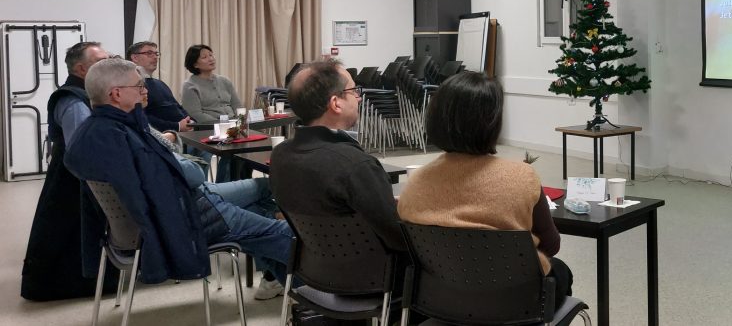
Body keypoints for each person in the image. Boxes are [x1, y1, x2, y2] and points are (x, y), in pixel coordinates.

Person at [64, 58, 293, 292]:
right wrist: (176, 156)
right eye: (139, 86)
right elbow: (194, 176)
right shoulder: (129, 138)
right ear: (116, 94)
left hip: (147, 224)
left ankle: (281, 284)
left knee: (260, 211)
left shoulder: (91, 133)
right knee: (288, 233)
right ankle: (307, 292)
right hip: (187, 217)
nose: (145, 91)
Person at [397, 72, 574, 307]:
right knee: (560, 271)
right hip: (514, 301)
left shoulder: (415, 183)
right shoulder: (522, 177)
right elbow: (551, 245)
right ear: (493, 122)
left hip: (441, 300)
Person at [271, 59, 406, 265]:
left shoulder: (280, 154)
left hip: (313, 269)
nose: (359, 98)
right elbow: (398, 237)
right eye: (353, 91)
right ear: (336, 103)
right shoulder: (356, 165)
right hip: (369, 275)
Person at [21, 42, 118, 301]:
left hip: (81, 176)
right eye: (101, 60)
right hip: (72, 181)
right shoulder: (73, 99)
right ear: (82, 69)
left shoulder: (92, 94)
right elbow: (83, 148)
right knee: (68, 233)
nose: (108, 64)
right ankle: (70, 284)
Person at [181, 44, 242, 181]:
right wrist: (222, 125)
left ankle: (233, 183)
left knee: (244, 150)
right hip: (207, 128)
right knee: (226, 149)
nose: (210, 59)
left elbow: (237, 106)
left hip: (232, 126)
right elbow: (196, 114)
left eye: (211, 55)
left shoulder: (225, 81)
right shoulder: (190, 85)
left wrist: (239, 121)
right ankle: (222, 186)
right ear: (195, 64)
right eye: (204, 57)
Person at [127, 41, 192, 133]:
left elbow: (177, 106)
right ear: (135, 57)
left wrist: (191, 121)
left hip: (185, 132)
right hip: (164, 135)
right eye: (149, 53)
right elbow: (141, 117)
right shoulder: (131, 86)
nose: (155, 57)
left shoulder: (160, 83)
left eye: (156, 54)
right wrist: (176, 126)